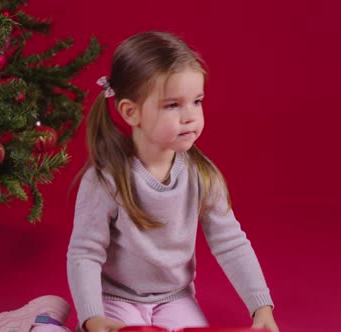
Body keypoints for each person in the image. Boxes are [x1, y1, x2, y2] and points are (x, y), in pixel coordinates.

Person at [67, 31, 278, 332]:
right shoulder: (106, 179)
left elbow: (230, 242)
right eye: (172, 105)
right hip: (116, 298)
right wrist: (92, 317)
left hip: (175, 299)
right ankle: (38, 321)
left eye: (197, 101)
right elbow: (84, 253)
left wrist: (261, 306)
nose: (190, 116)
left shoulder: (202, 176)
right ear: (131, 112)